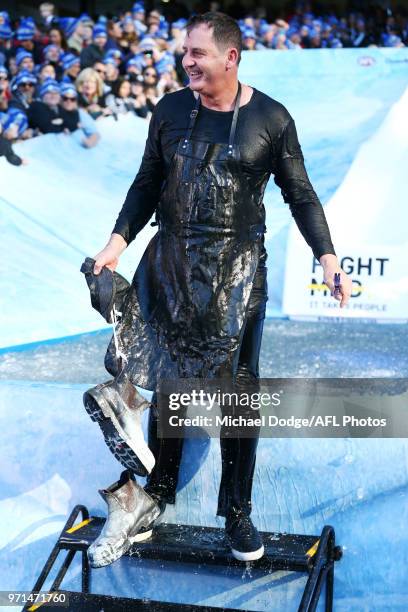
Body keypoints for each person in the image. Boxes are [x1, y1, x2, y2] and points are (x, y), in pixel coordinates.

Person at [84, 11, 352, 569]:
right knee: (168, 376)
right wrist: (116, 244)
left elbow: (300, 194)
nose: (187, 62)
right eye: (185, 53)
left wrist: (326, 256)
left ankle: (236, 510)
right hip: (173, 258)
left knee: (238, 394)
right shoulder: (170, 109)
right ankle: (154, 492)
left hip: (238, 271)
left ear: (230, 57)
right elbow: (146, 183)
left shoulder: (271, 118)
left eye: (198, 54)